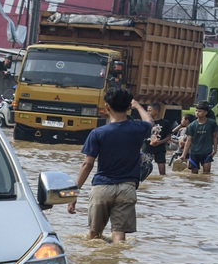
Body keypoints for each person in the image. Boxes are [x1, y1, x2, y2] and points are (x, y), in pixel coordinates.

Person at [67, 87, 153, 244]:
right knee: (119, 236)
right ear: (128, 107)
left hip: (102, 188)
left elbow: (87, 164)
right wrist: (138, 106)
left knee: (94, 236)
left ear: (107, 107)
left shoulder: (98, 133)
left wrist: (74, 193)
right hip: (127, 188)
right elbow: (150, 122)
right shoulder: (138, 129)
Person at [183, 101, 218, 174]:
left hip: (207, 152)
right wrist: (183, 155)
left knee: (206, 174)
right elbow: (188, 141)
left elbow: (215, 136)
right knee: (194, 175)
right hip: (194, 153)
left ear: (205, 113)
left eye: (199, 111)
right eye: (196, 111)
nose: (197, 113)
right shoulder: (191, 125)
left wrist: (215, 150)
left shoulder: (212, 123)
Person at [142, 103, 172, 176]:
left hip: (160, 148)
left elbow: (168, 137)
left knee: (162, 172)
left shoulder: (165, 123)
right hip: (147, 147)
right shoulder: (145, 122)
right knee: (143, 169)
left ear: (156, 111)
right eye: (147, 111)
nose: (147, 113)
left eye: (150, 111)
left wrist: (159, 142)